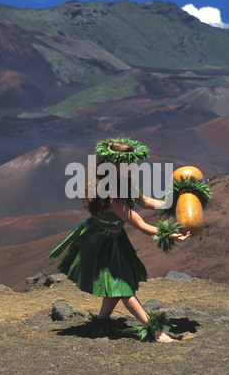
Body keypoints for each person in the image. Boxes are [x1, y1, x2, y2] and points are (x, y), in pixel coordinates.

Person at [49, 138, 190, 343]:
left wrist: (173, 202)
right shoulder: (112, 195)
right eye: (126, 164)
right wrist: (168, 234)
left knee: (117, 284)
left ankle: (100, 325)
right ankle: (155, 331)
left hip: (114, 237)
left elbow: (146, 202)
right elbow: (141, 224)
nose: (131, 167)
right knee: (123, 285)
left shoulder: (124, 182)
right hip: (100, 241)